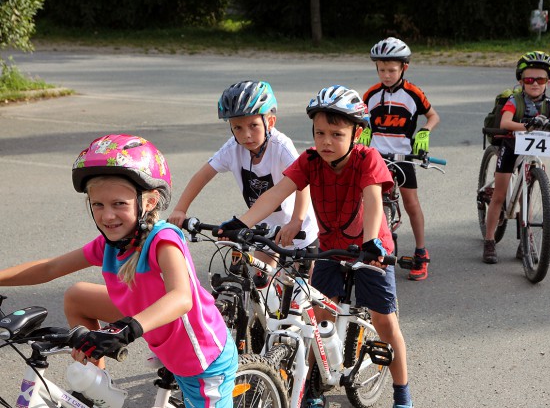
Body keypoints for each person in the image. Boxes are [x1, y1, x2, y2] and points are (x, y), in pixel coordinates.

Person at [0, 134, 238, 408]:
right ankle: (97, 390)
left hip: (200, 359)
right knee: (78, 296)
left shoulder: (163, 239)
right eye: (98, 204)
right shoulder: (110, 244)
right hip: (159, 332)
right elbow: (50, 267)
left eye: (119, 204)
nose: (107, 215)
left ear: (148, 202)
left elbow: (181, 298)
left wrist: (125, 329)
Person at [218, 85, 413, 408]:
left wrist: (371, 243)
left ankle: (402, 393)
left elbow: (373, 199)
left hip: (371, 250)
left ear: (357, 135)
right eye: (319, 132)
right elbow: (276, 193)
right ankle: (313, 387)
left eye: (336, 134)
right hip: (329, 250)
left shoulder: (368, 159)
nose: (325, 141)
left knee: (385, 321)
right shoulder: (310, 160)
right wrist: (243, 222)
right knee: (317, 316)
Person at [168, 80, 319, 268]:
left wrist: (297, 220)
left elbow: (302, 183)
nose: (246, 134)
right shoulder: (233, 147)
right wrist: (181, 209)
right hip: (264, 229)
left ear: (270, 122)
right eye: (238, 127)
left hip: (299, 230)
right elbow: (203, 175)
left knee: (304, 290)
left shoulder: (281, 146)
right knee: (259, 283)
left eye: (253, 125)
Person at [483, 51, 550, 263]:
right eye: (529, 79)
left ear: (548, 82)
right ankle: (489, 240)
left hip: (533, 149)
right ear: (521, 81)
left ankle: (525, 240)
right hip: (511, 145)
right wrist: (525, 125)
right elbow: (506, 122)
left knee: (528, 193)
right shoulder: (515, 100)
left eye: (540, 79)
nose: (535, 84)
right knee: (499, 195)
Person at [360, 37, 440, 281]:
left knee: (411, 203)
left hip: (403, 155)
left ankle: (421, 251)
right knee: (365, 202)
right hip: (376, 156)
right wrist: (362, 130)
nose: (386, 75)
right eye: (381, 69)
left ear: (404, 67)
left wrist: (425, 130)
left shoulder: (414, 94)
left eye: (391, 70)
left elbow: (433, 116)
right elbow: (360, 120)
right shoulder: (371, 94)